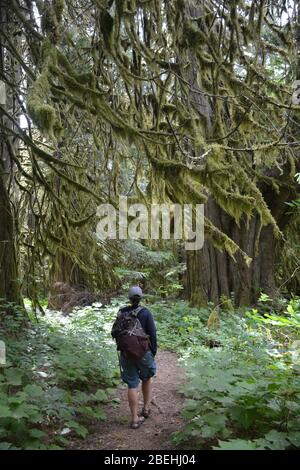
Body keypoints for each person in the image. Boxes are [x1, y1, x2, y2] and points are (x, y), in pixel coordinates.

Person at [111, 286, 157, 429]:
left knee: (132, 384)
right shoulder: (145, 313)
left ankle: (135, 419)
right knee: (147, 377)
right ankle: (146, 409)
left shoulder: (122, 312)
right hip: (143, 353)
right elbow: (152, 334)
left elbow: (114, 333)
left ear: (129, 298)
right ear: (141, 297)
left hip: (126, 353)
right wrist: (152, 352)